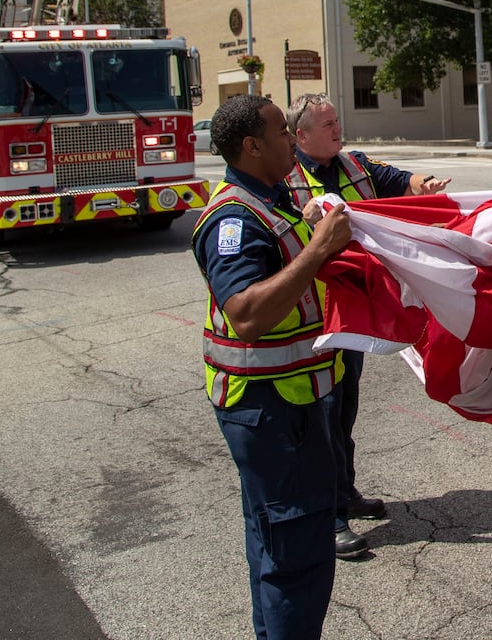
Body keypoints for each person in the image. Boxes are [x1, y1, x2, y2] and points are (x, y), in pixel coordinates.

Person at [191, 94, 354, 638]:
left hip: (293, 405)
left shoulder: (274, 197)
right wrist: (317, 251)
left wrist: (309, 222)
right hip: (272, 412)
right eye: (282, 132)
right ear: (251, 146)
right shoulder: (233, 219)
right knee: (295, 557)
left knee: (274, 545)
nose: (292, 139)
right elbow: (247, 314)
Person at [284, 93, 451, 559]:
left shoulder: (354, 164)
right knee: (323, 417)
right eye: (327, 124)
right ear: (301, 135)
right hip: (312, 317)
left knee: (344, 410)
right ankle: (330, 516)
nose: (338, 129)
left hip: (353, 312)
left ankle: (346, 493)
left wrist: (426, 183)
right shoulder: (286, 178)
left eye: (338, 121)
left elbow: (398, 178)